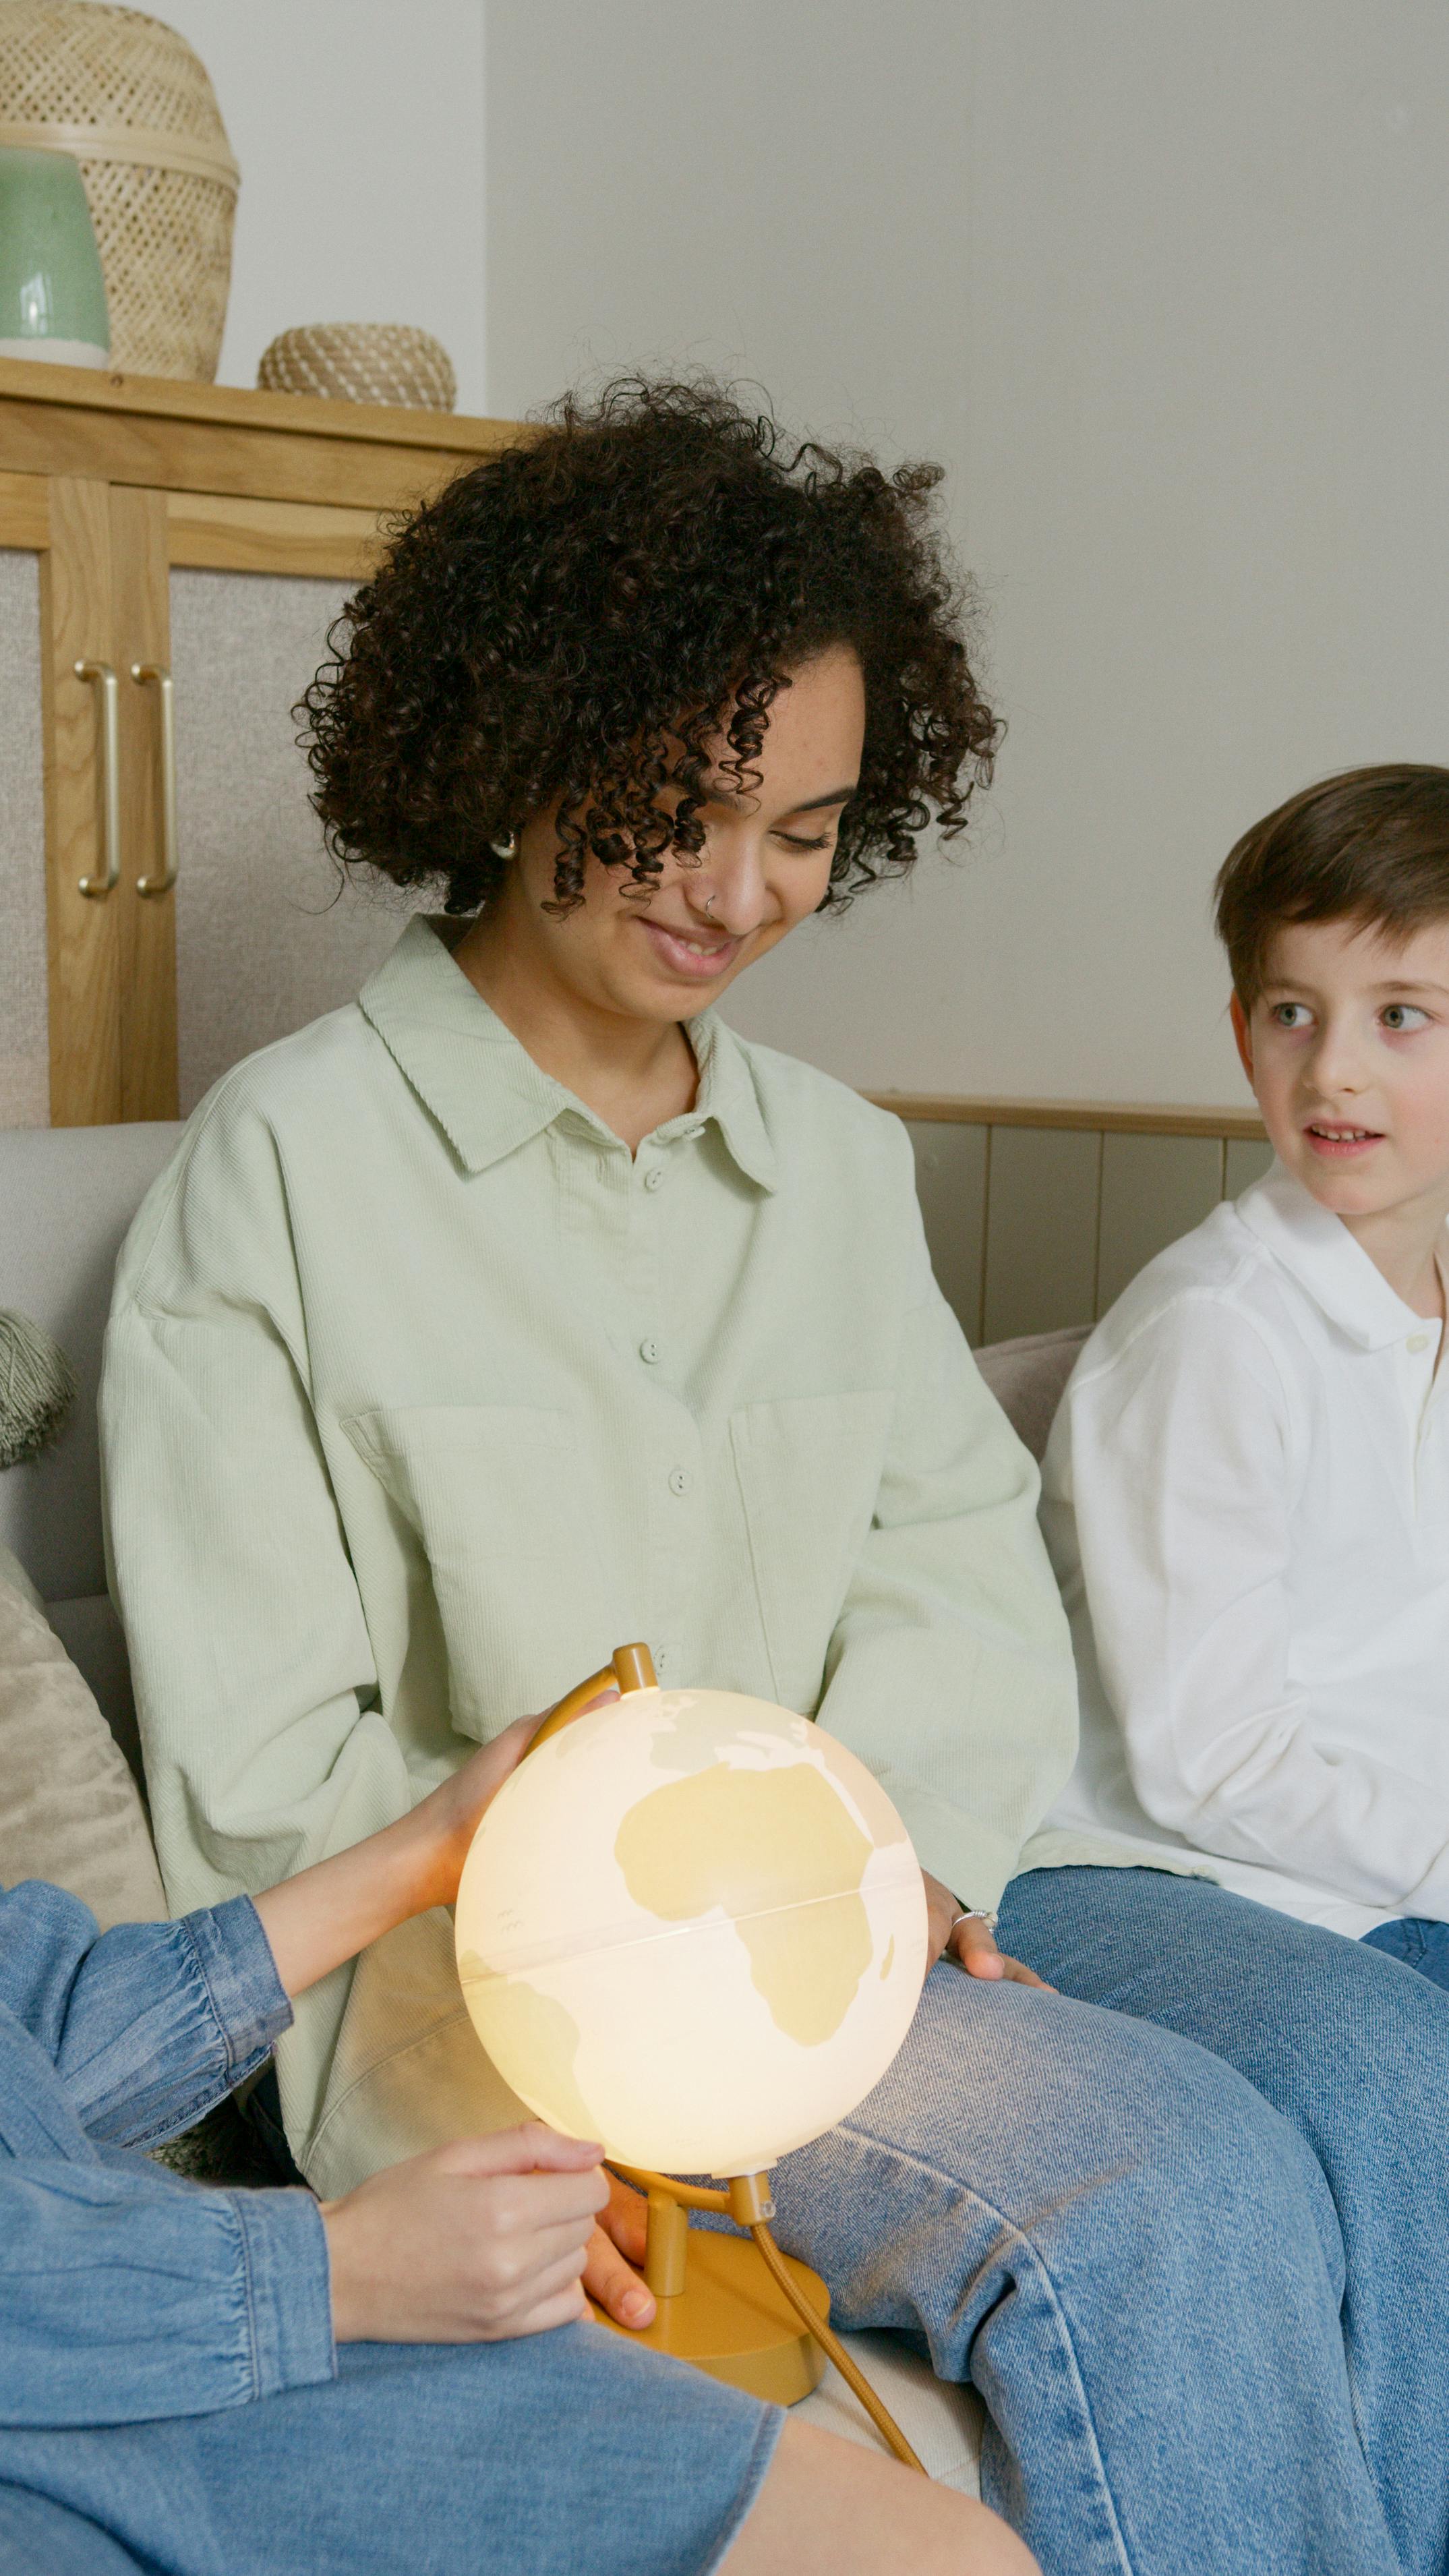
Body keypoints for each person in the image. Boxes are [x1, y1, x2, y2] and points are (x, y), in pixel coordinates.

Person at [101, 382, 1449, 2576]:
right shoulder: (282, 1174)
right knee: (1173, 2183)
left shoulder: (831, 1165)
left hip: (881, 1917)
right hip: (574, 2009)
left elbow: (955, 1579)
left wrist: (905, 1861)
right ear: (520, 748)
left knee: (1388, 2081)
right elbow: (266, 1788)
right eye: (681, 811)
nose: (740, 893)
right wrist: (480, 2135)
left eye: (806, 830)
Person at [0, 1710, 1027, 2575]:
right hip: (109, 2361)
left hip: (188, 2319)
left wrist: (433, 1848)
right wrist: (329, 2268)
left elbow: (50, 2048)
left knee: (952, 2558)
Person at [1043, 764, 1449, 1977]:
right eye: (1290, 1014)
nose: (1331, 1072)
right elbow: (1210, 1764)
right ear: (1241, 1035)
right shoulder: (1213, 1333)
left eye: (1400, 1016)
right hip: (1213, 1883)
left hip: (1392, 1861)